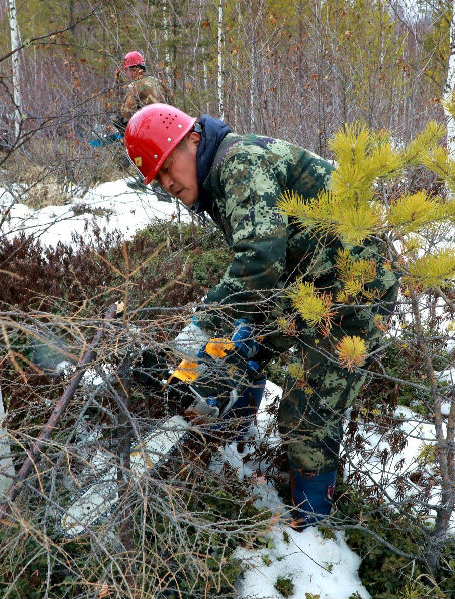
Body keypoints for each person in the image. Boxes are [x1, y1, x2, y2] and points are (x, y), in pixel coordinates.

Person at [124, 103, 399, 529]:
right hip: (307, 285)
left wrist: (190, 339)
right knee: (241, 343)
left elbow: (259, 264)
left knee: (305, 409)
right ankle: (233, 435)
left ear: (193, 139)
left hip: (355, 292)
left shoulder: (239, 164)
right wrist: (205, 349)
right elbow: (259, 274)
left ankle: (312, 526)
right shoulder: (217, 175)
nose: (166, 184)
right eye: (156, 179)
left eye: (167, 167)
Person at [116, 51, 169, 130]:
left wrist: (120, 122)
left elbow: (127, 114)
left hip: (150, 130)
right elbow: (171, 102)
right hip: (167, 125)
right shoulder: (158, 81)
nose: (125, 74)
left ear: (133, 70)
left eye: (126, 70)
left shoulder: (134, 86)